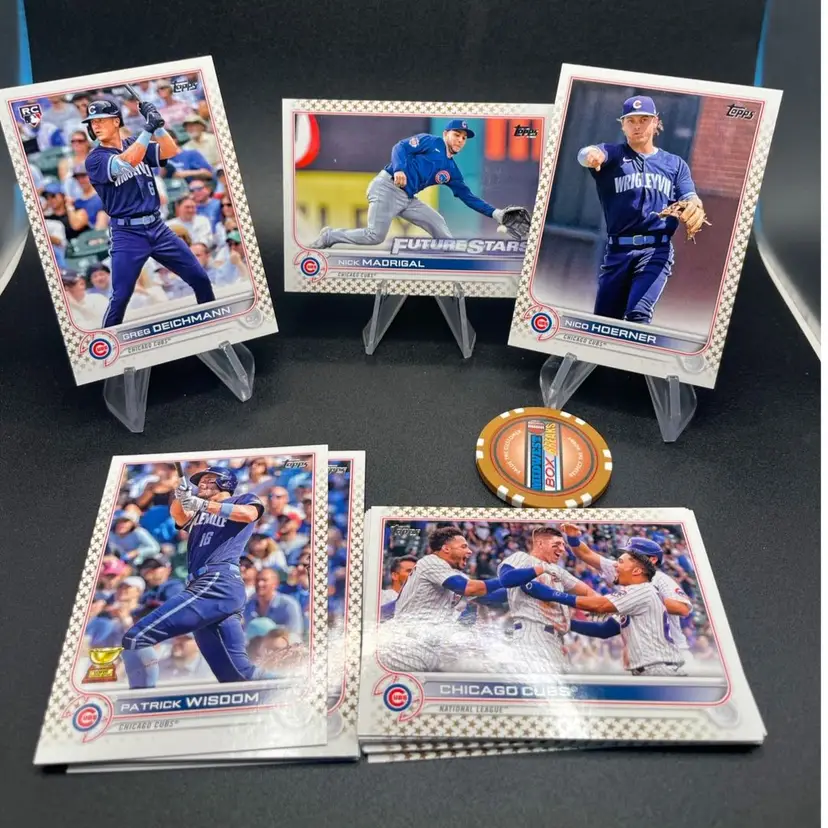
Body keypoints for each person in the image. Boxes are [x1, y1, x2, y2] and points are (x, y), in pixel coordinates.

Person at [120, 466, 276, 687]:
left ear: (225, 483)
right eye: (200, 481)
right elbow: (179, 515)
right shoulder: (201, 513)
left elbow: (250, 514)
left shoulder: (242, 500)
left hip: (217, 581)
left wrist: (202, 504)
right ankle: (294, 686)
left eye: (209, 480)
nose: (201, 483)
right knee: (238, 674)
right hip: (211, 587)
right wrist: (180, 497)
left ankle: (141, 701)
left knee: (136, 638)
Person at [81, 98, 215, 327]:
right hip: (127, 233)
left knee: (200, 278)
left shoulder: (135, 142)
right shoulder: (95, 158)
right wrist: (148, 129)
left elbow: (171, 150)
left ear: (116, 121)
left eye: (101, 120)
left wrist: (158, 124)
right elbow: (126, 163)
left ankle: (213, 324)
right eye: (93, 122)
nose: (96, 125)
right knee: (121, 297)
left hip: (157, 227)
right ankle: (108, 342)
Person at [577, 95, 705, 323]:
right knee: (603, 323)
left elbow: (690, 196)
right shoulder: (613, 155)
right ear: (622, 125)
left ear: (655, 122)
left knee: (638, 313)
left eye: (644, 119)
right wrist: (590, 155)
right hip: (618, 251)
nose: (637, 126)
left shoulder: (675, 164)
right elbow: (586, 154)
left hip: (656, 250)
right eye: (631, 120)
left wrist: (695, 206)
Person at [309, 119, 515, 249]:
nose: (460, 140)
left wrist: (495, 213)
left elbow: (468, 197)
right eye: (456, 135)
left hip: (407, 198)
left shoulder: (451, 170)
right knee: (375, 236)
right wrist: (399, 169)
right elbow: (400, 147)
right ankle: (330, 236)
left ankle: (450, 259)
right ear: (445, 134)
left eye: (463, 138)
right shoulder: (431, 141)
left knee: (436, 221)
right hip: (387, 186)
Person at [376, 526, 540, 673]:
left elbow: (490, 595)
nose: (469, 551)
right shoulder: (430, 562)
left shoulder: (454, 575)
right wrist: (508, 579)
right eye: (463, 546)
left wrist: (525, 585)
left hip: (428, 650)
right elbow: (469, 588)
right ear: (446, 549)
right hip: (405, 648)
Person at [527, 549, 686, 677]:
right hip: (654, 668)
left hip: (658, 669)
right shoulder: (637, 597)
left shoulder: (641, 590)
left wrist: (552, 594)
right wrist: (567, 623)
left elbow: (600, 605)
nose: (615, 566)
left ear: (637, 571)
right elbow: (604, 630)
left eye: (620, 562)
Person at [560, 523, 693, 657]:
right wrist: (573, 539)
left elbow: (682, 609)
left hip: (675, 655)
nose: (626, 558)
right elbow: (585, 554)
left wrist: (641, 599)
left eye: (633, 556)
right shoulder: (621, 570)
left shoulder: (660, 579)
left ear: (652, 560)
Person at [497, 527, 597, 674]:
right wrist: (540, 568)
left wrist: (602, 607)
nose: (562, 549)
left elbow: (588, 592)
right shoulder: (522, 558)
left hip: (555, 638)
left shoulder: (557, 570)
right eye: (556, 544)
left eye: (563, 545)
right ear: (540, 544)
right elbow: (506, 579)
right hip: (532, 633)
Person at [243, 568, 303, 640]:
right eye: (257, 580)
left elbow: (295, 635)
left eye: (264, 580)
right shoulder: (248, 606)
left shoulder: (288, 605)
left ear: (276, 584)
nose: (259, 584)